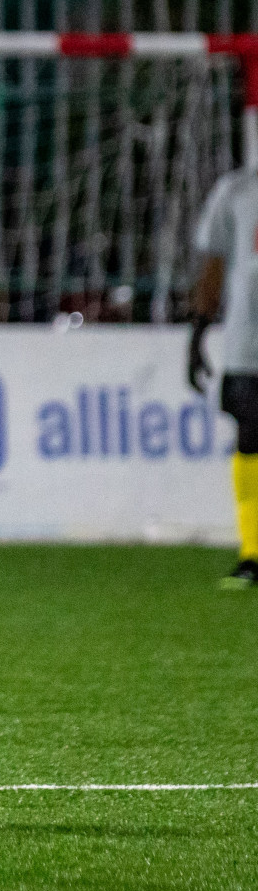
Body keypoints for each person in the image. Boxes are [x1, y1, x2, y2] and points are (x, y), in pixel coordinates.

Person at [190, 162, 258, 588]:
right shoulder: (236, 189)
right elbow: (213, 264)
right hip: (245, 346)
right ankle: (252, 553)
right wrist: (196, 332)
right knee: (251, 437)